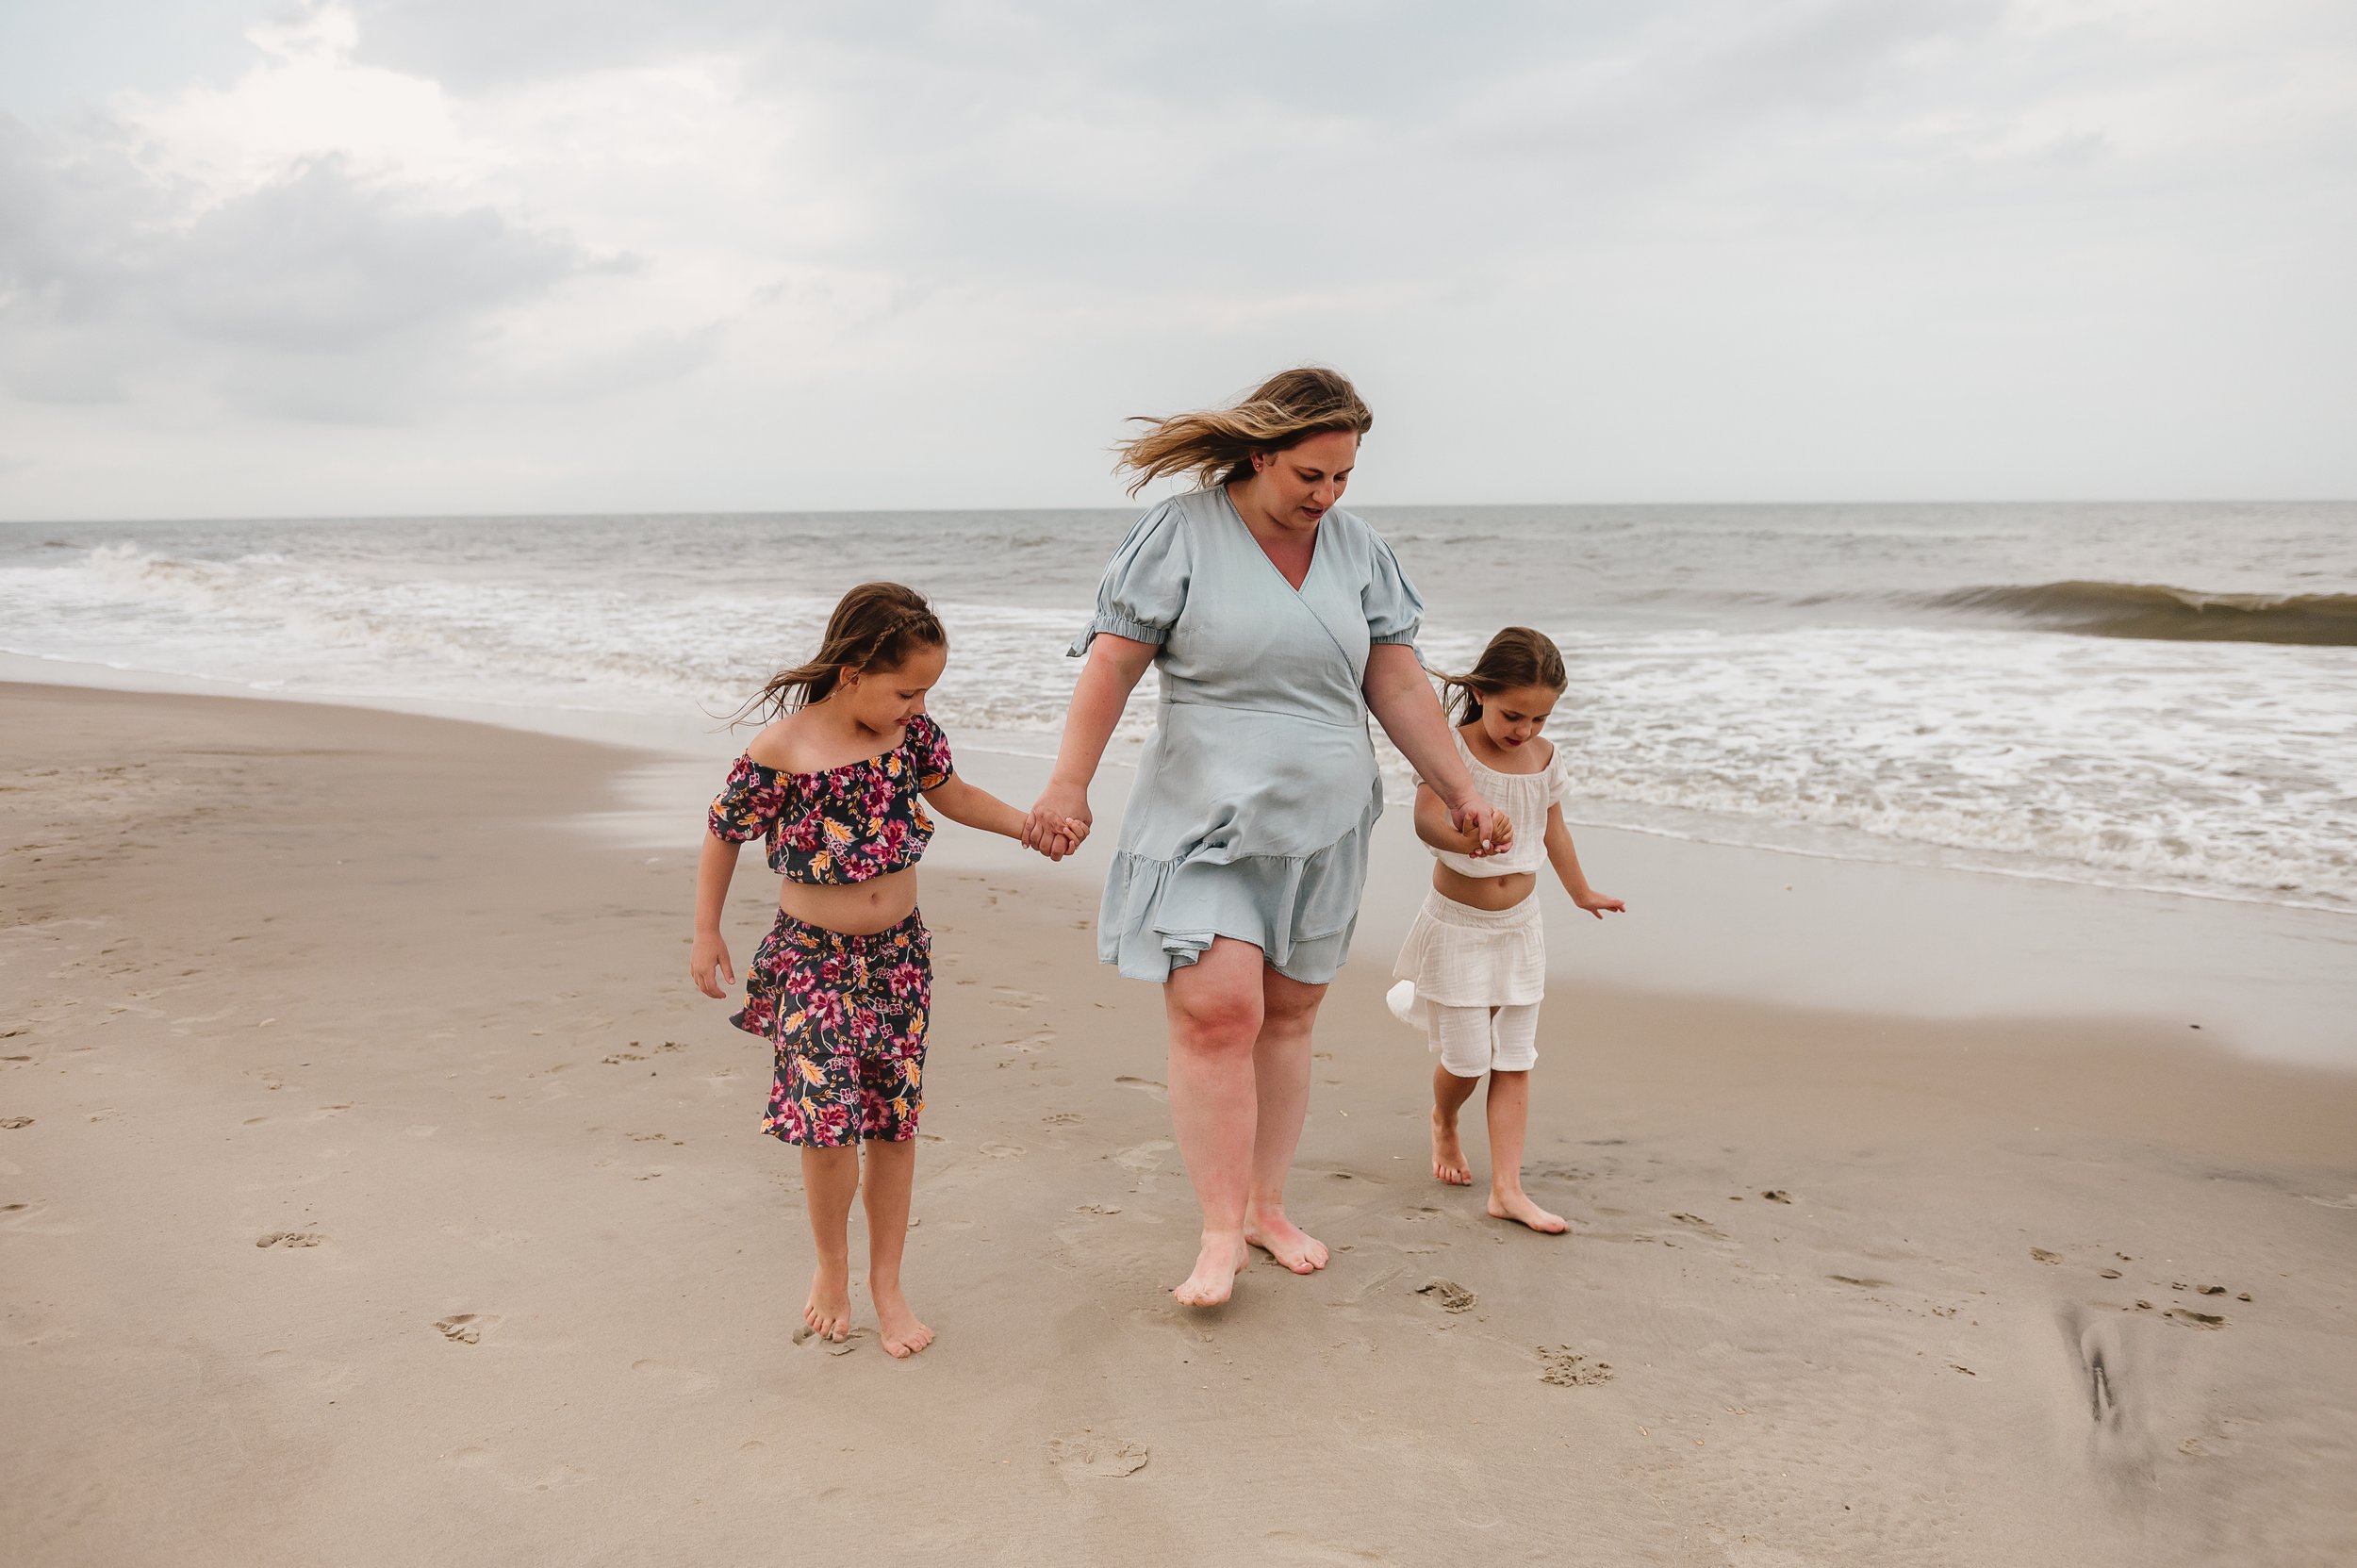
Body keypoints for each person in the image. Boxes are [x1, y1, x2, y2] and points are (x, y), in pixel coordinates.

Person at [1023, 368, 1508, 1308]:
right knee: (1218, 1013)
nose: (1324, 498)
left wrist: (1461, 789)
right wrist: (1067, 784)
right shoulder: (1181, 534)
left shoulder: (1358, 551)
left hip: (1321, 824)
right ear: (1259, 455)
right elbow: (1114, 665)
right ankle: (1216, 1233)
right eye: (1308, 477)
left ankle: (1266, 1206)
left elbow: (1400, 687)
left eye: (1341, 478)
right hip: (1201, 820)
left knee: (1287, 1017)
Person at [690, 583, 1081, 1357]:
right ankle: (832, 1269)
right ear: (853, 673)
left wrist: (1028, 828)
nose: (917, 704)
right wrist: (706, 930)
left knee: (892, 1122)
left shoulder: (910, 737)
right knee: (828, 1125)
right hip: (812, 961)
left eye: (926, 691)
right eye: (907, 689)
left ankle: (889, 1282)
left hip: (898, 960)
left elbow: (956, 794)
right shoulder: (783, 750)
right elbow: (723, 830)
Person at [1386, 626, 1625, 1232]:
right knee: (1467, 1062)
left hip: (1521, 927)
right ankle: (1444, 1121)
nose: (1525, 731)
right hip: (1458, 925)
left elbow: (1555, 832)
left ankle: (1508, 1189)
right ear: (1484, 692)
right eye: (1514, 714)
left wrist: (1581, 891)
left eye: (1539, 719)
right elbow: (1423, 821)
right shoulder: (1453, 748)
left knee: (1515, 1058)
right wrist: (1462, 834)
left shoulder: (1544, 759)